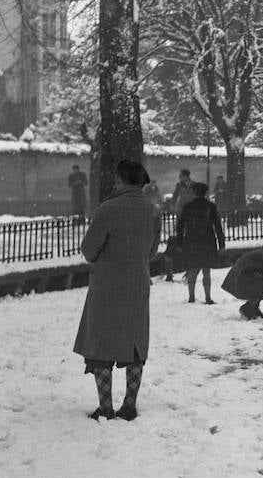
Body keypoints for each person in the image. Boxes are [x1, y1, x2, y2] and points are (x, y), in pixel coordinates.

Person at [73, 159, 161, 421]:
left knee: (101, 344)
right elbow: (153, 251)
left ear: (120, 179)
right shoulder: (153, 211)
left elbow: (89, 251)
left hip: (107, 286)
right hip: (137, 284)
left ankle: (106, 407)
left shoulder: (107, 209)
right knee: (134, 342)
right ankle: (130, 405)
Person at [175, 182, 225, 303]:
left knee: (192, 268)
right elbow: (218, 226)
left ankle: (191, 296)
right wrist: (221, 243)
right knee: (206, 270)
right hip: (207, 241)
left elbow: (180, 226)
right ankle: (208, 297)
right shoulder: (211, 206)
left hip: (192, 241)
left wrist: (179, 243)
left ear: (193, 192)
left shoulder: (187, 207)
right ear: (206, 193)